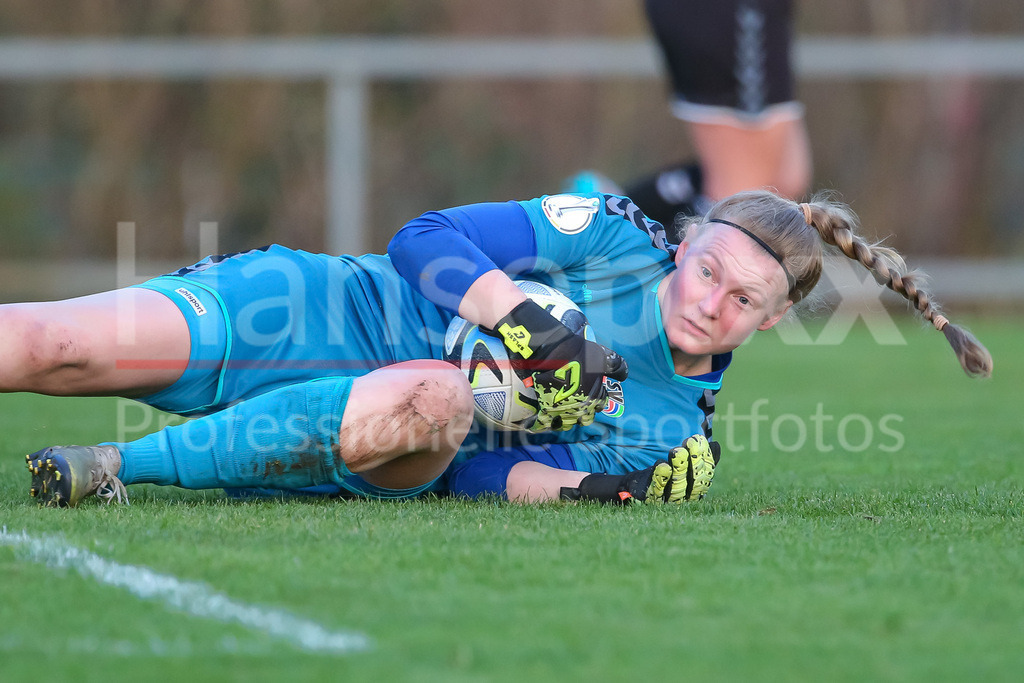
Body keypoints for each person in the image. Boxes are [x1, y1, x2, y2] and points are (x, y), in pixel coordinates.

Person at [16, 189, 991, 508]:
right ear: (683, 242)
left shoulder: (667, 429)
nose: (709, 302)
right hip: (315, 306)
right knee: (49, 343)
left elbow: (479, 481)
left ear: (770, 320)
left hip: (387, 433)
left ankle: (117, 469)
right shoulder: (611, 234)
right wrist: (525, 322)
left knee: (443, 398)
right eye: (704, 271)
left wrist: (587, 493)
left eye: (743, 299)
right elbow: (422, 238)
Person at [571, 0, 812, 232]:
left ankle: (618, 210)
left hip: (755, 16)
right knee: (743, 204)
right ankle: (609, 247)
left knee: (783, 180)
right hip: (732, 12)